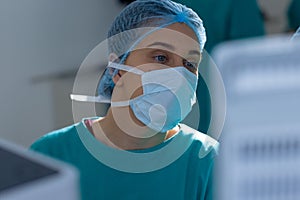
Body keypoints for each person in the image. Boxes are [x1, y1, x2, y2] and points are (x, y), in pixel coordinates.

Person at [30, 0, 218, 199]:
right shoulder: (51, 154)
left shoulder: (208, 161)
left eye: (190, 64)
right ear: (116, 69)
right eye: (161, 57)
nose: (178, 75)